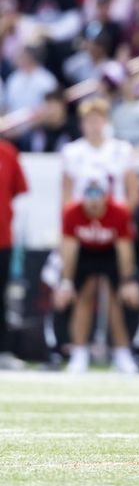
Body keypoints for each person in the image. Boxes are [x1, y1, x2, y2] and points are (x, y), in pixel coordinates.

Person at [54, 177, 139, 373]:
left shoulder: (119, 212)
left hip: (110, 254)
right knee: (82, 297)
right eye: (89, 194)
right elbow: (68, 249)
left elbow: (124, 250)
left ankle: (122, 352)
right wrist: (66, 281)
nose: (93, 201)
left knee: (116, 299)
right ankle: (79, 352)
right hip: (84, 254)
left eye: (97, 195)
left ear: (106, 196)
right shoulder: (72, 212)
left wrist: (128, 281)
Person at [61, 98, 139, 212]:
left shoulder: (123, 149)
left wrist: (120, 216)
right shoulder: (71, 151)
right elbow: (67, 195)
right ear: (81, 124)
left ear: (105, 122)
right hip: (82, 218)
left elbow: (133, 192)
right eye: (89, 121)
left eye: (97, 120)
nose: (94, 126)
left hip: (114, 217)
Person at [0, 139, 28, 370]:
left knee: (1, 297)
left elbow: (19, 190)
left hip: (2, 238)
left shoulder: (7, 152)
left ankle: (2, 350)